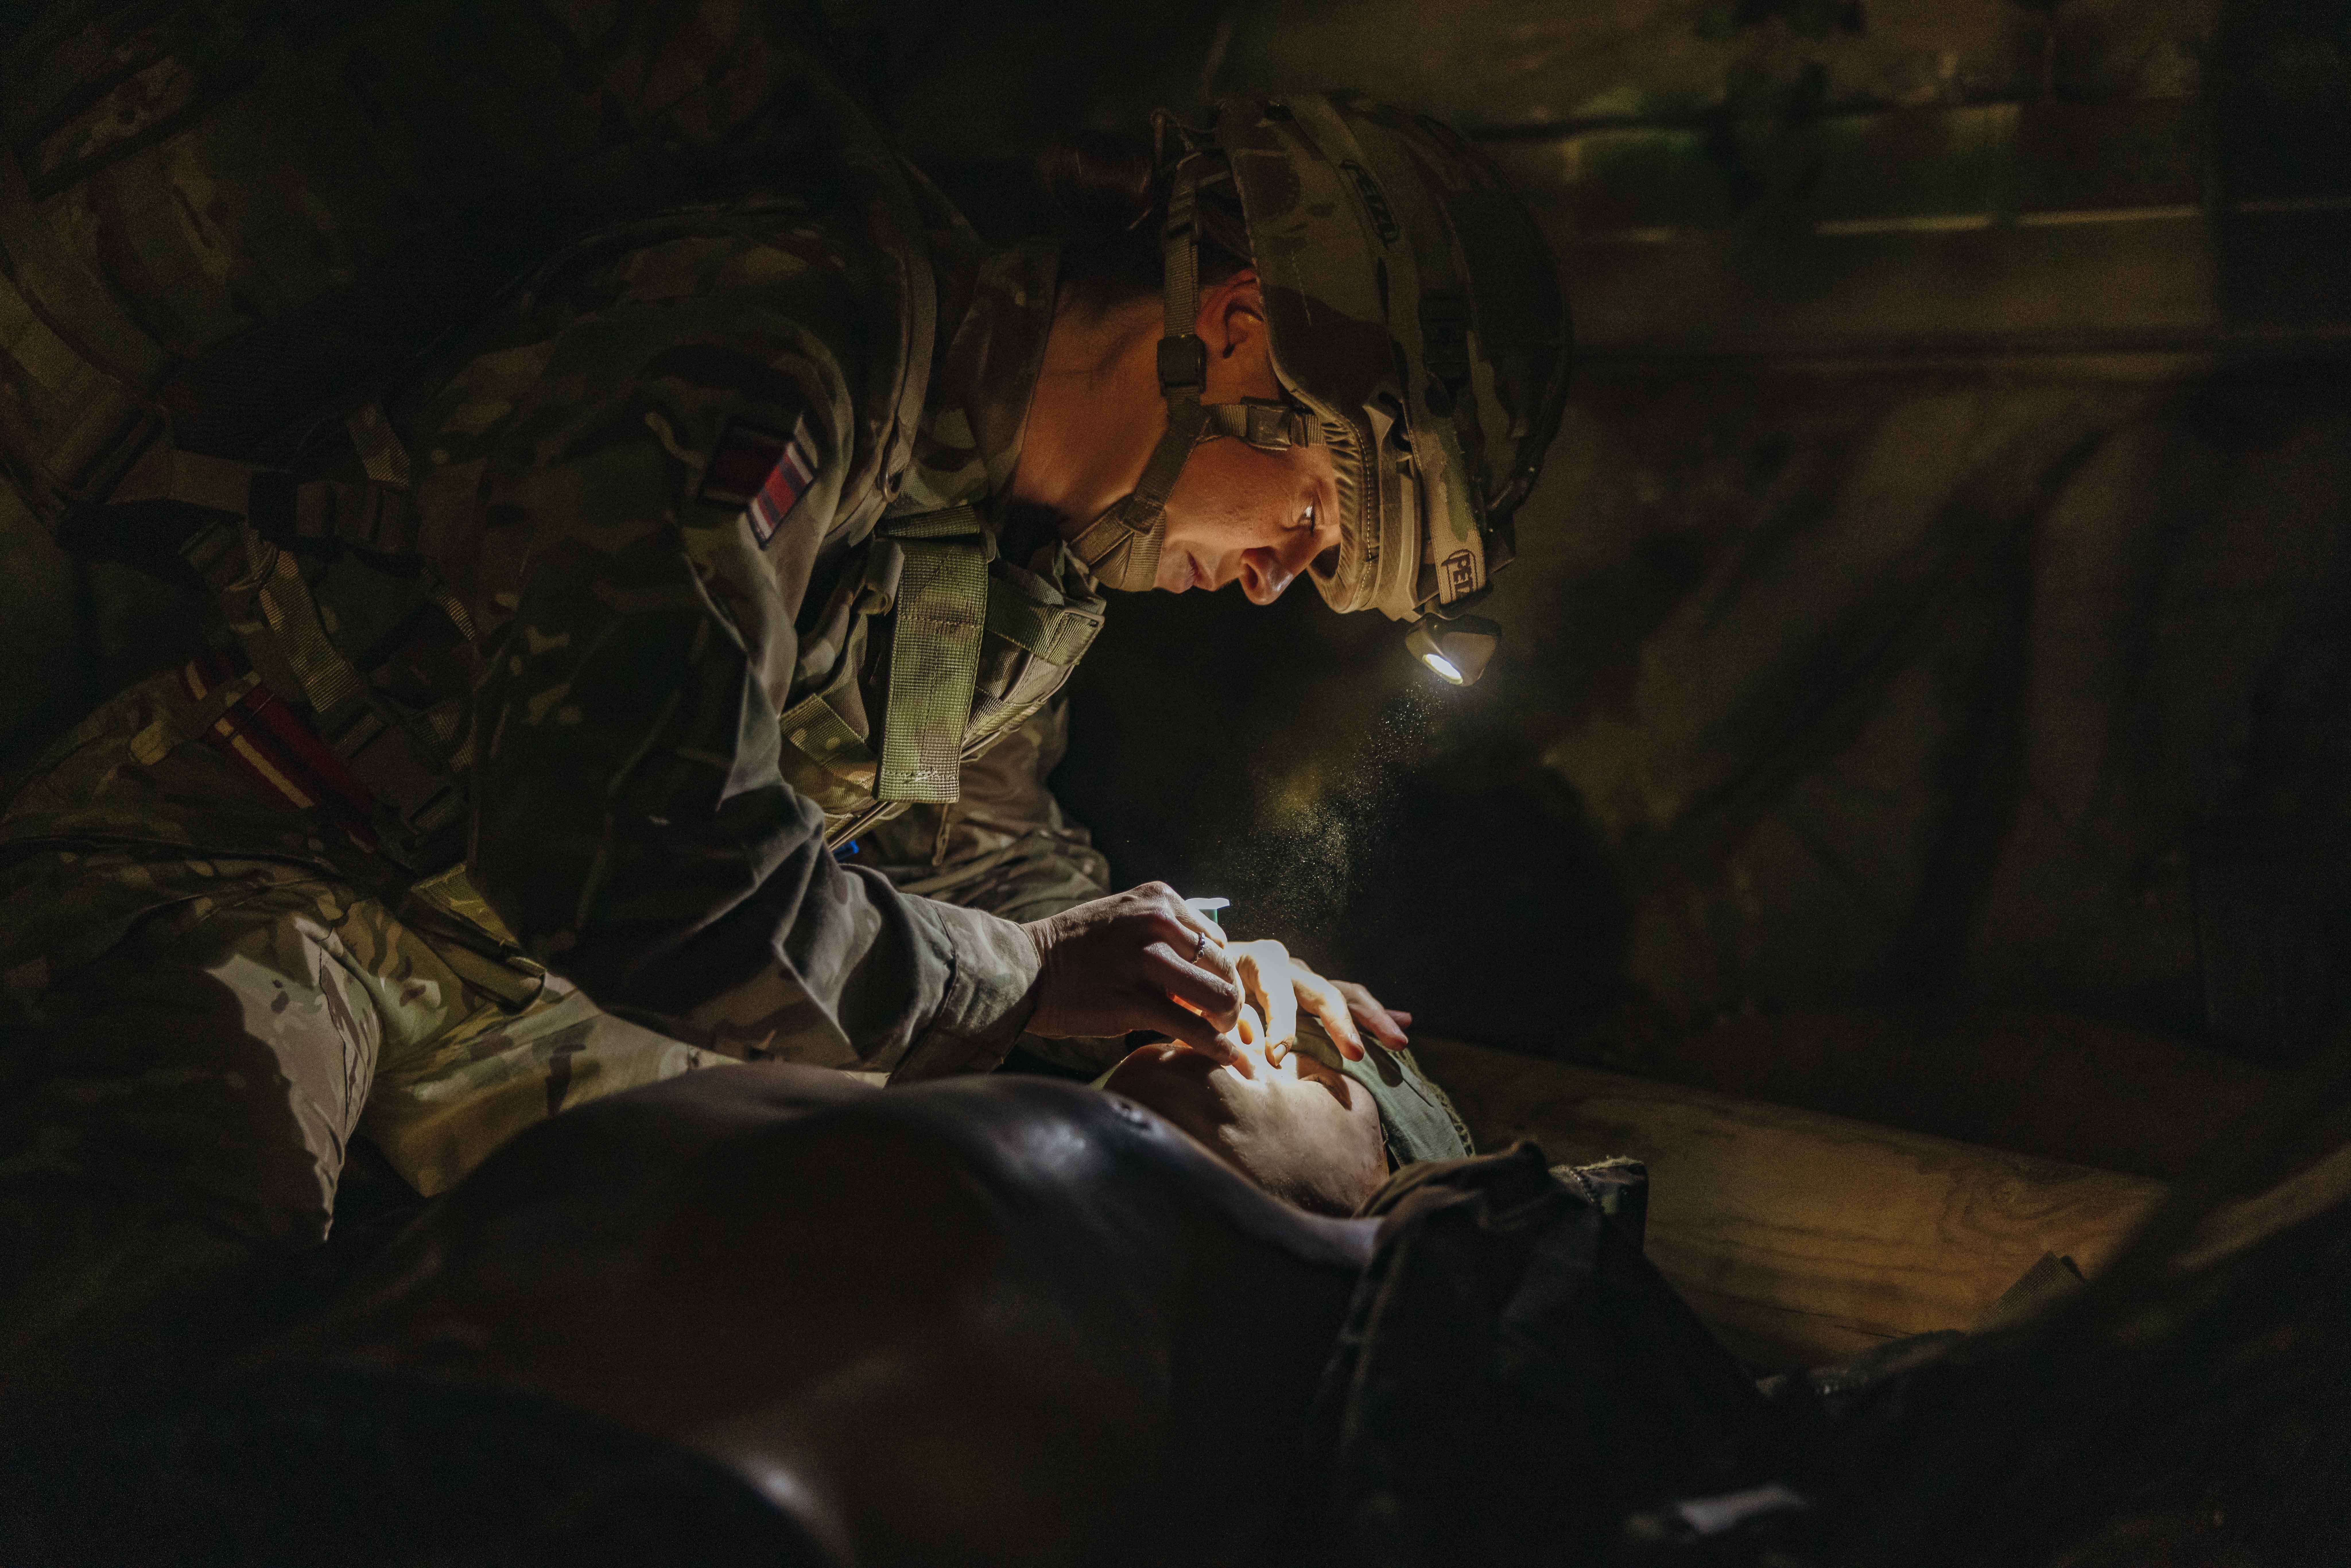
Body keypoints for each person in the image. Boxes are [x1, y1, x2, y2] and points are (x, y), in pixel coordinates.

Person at [0, 60, 1567, 1451]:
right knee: (146, 1356)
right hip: (262, 853)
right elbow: (639, 861)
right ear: (1235, 332)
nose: (1282, 573)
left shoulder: (1027, 564)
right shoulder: (765, 347)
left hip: (534, 984)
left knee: (796, 1311)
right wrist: (1025, 980)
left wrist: (1215, 969)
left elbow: (979, 856)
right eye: (1314, 510)